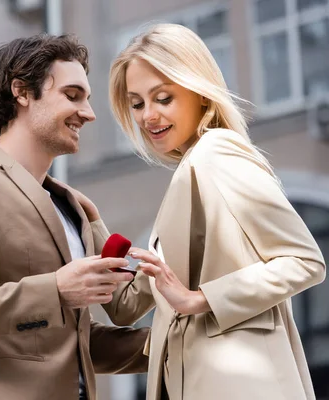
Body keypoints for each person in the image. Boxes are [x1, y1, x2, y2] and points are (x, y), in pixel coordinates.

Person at [76, 23, 326, 400]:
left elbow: (304, 260)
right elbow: (126, 308)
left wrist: (203, 299)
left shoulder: (217, 154)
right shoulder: (192, 171)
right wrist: (92, 223)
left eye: (163, 98)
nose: (148, 117)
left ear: (201, 95)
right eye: (138, 103)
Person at [0, 33, 149, 400]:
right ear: (21, 91)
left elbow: (69, 344)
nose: (89, 113)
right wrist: (55, 290)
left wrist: (173, 342)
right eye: (72, 95)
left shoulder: (72, 207)